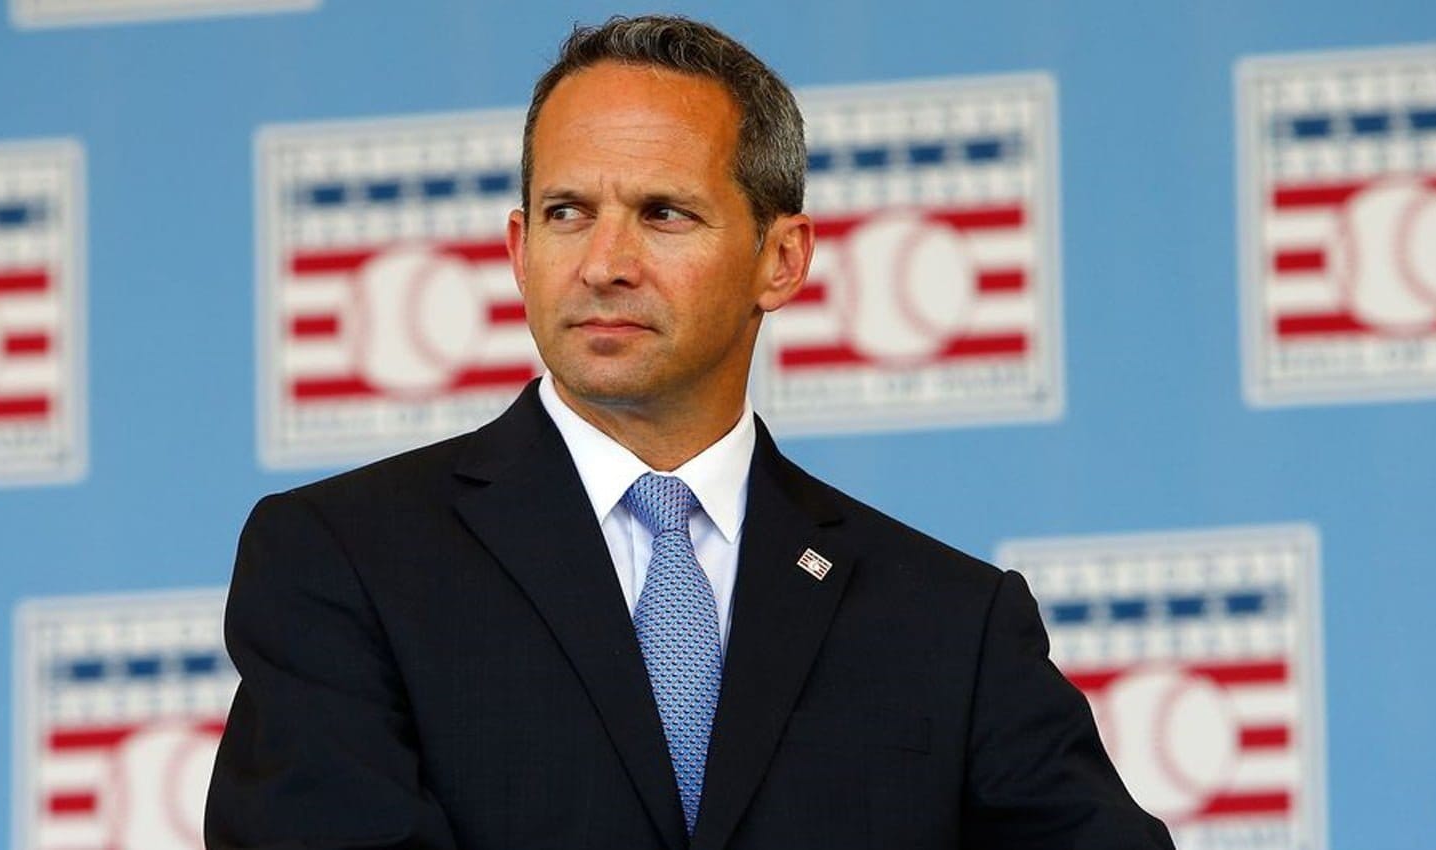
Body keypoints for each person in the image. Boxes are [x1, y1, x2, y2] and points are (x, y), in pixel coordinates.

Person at [206, 15, 1172, 850]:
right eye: (567, 212)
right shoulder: (344, 562)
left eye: (663, 213)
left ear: (781, 259)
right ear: (517, 248)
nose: (603, 263)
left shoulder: (951, 623)